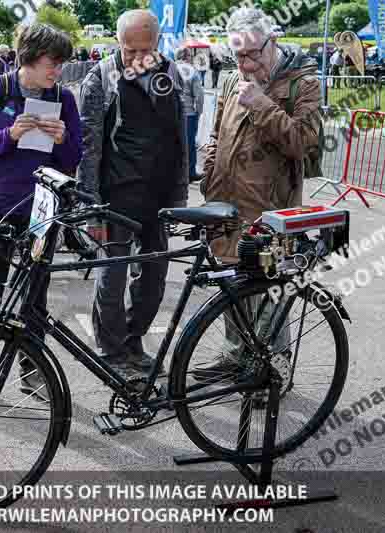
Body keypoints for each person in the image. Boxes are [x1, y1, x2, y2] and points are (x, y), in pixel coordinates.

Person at [0, 22, 82, 403]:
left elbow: (73, 159)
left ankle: (32, 371)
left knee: (35, 296)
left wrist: (63, 139)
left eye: (61, 63)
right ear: (29, 57)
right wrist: (8, 135)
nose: (57, 70)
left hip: (42, 209)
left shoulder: (63, 98)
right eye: (52, 62)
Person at [200, 8, 320, 366]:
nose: (247, 64)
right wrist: (209, 173)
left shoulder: (303, 83)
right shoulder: (229, 79)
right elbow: (216, 132)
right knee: (230, 285)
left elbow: (304, 142)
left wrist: (262, 105)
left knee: (270, 290)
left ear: (273, 41)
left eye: (253, 54)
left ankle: (272, 367)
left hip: (270, 210)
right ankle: (234, 356)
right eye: (238, 55)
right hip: (224, 204)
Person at [76, 9, 188, 377]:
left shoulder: (171, 73)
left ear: (158, 43)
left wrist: (179, 195)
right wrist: (90, 206)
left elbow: (178, 138)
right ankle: (111, 351)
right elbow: (88, 147)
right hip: (115, 197)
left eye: (146, 50)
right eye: (130, 50)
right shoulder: (100, 78)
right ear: (117, 42)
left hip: (157, 198)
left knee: (154, 280)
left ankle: (133, 337)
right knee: (112, 279)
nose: (138, 58)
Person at [176, 47, 204, 181]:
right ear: (187, 56)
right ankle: (190, 172)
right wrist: (199, 112)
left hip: (171, 113)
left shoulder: (169, 69)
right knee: (189, 145)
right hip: (188, 113)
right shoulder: (192, 71)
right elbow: (199, 96)